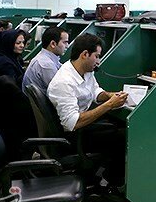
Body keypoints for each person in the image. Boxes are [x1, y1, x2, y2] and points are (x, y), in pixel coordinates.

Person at [47, 34, 128, 185]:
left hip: (82, 126)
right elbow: (72, 123)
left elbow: (95, 92)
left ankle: (108, 176)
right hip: (73, 136)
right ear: (85, 54)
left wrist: (111, 96)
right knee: (124, 136)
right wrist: (109, 105)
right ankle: (111, 182)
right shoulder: (64, 82)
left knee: (120, 124)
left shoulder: (85, 71)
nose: (99, 61)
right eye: (97, 56)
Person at [0, 29, 36, 159]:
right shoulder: (4, 65)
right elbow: (13, 93)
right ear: (8, 43)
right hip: (6, 117)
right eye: (18, 43)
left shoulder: (2, 58)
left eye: (23, 42)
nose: (22, 46)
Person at [22, 26, 68, 96]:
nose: (67, 46)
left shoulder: (46, 58)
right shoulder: (46, 64)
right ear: (53, 44)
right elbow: (60, 91)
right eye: (65, 42)